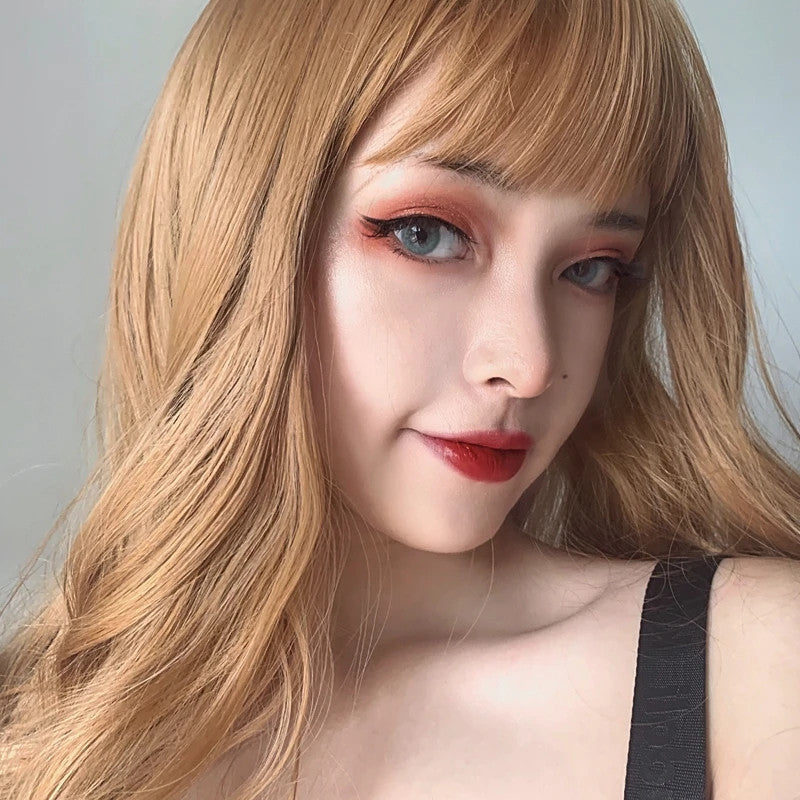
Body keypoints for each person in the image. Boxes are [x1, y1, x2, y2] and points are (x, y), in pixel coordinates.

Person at [1, 0, 798, 797]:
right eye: (427, 234)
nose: (529, 364)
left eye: (592, 268)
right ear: (239, 236)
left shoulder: (757, 674)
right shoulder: (36, 732)